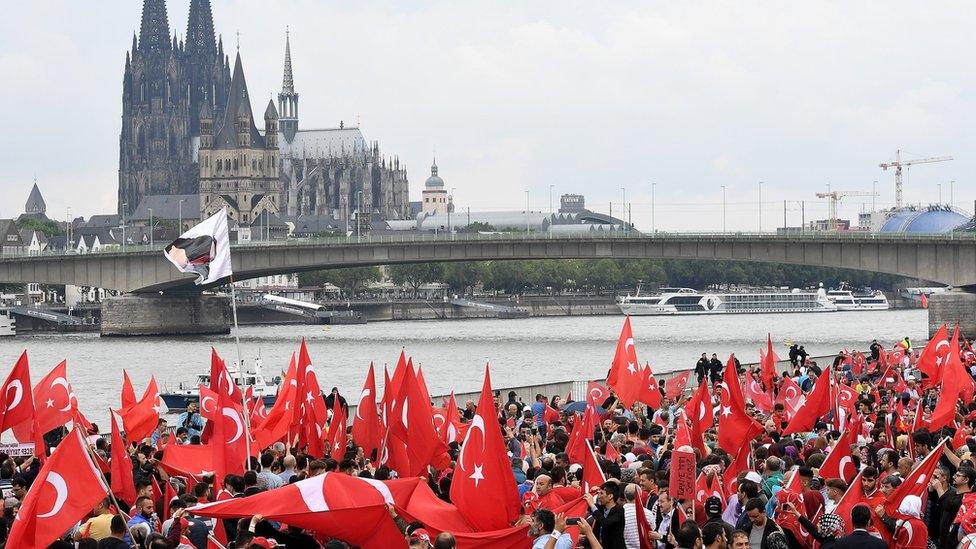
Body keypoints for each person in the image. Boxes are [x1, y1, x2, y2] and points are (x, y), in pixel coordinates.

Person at [586, 481, 626, 549]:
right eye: (598, 493)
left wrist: (592, 504)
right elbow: (587, 506)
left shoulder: (619, 510)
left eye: (601, 493)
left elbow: (605, 523)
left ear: (610, 496)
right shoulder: (601, 508)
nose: (598, 496)